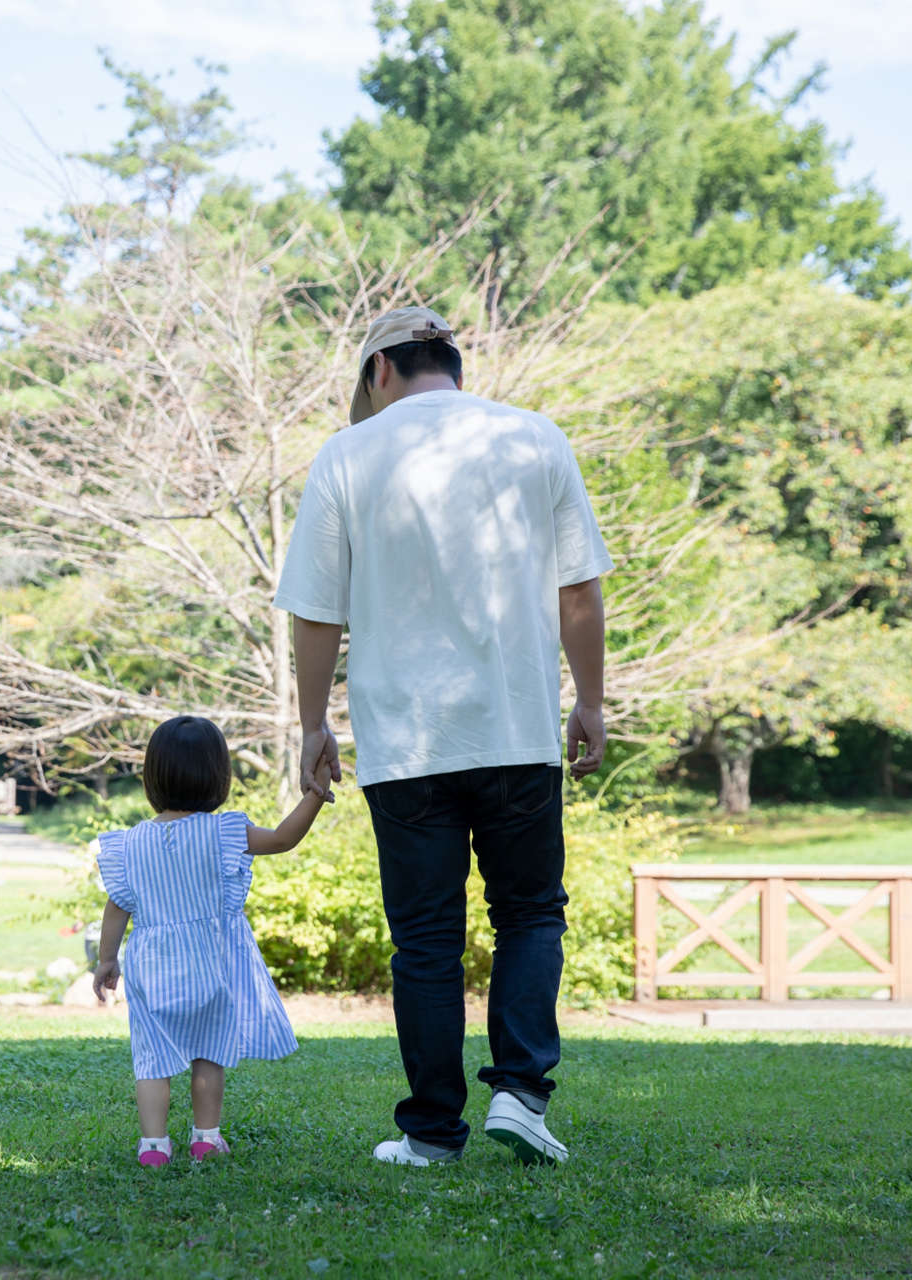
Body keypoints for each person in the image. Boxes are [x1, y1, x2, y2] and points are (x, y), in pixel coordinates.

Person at [273, 306, 611, 1168]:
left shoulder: (348, 454)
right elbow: (579, 592)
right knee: (531, 913)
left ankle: (430, 1134)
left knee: (425, 939)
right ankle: (522, 1095)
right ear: (451, 364)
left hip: (406, 742)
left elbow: (316, 612)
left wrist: (313, 726)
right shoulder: (537, 438)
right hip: (516, 728)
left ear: (381, 370)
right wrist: (591, 703)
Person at [89, 715, 333, 1167]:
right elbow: (283, 838)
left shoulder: (130, 843)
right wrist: (315, 791)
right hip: (209, 961)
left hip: (151, 963)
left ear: (152, 776)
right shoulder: (223, 833)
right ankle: (205, 1139)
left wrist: (107, 960)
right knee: (207, 1051)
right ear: (219, 775)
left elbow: (116, 905)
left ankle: (154, 1148)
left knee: (152, 1057)